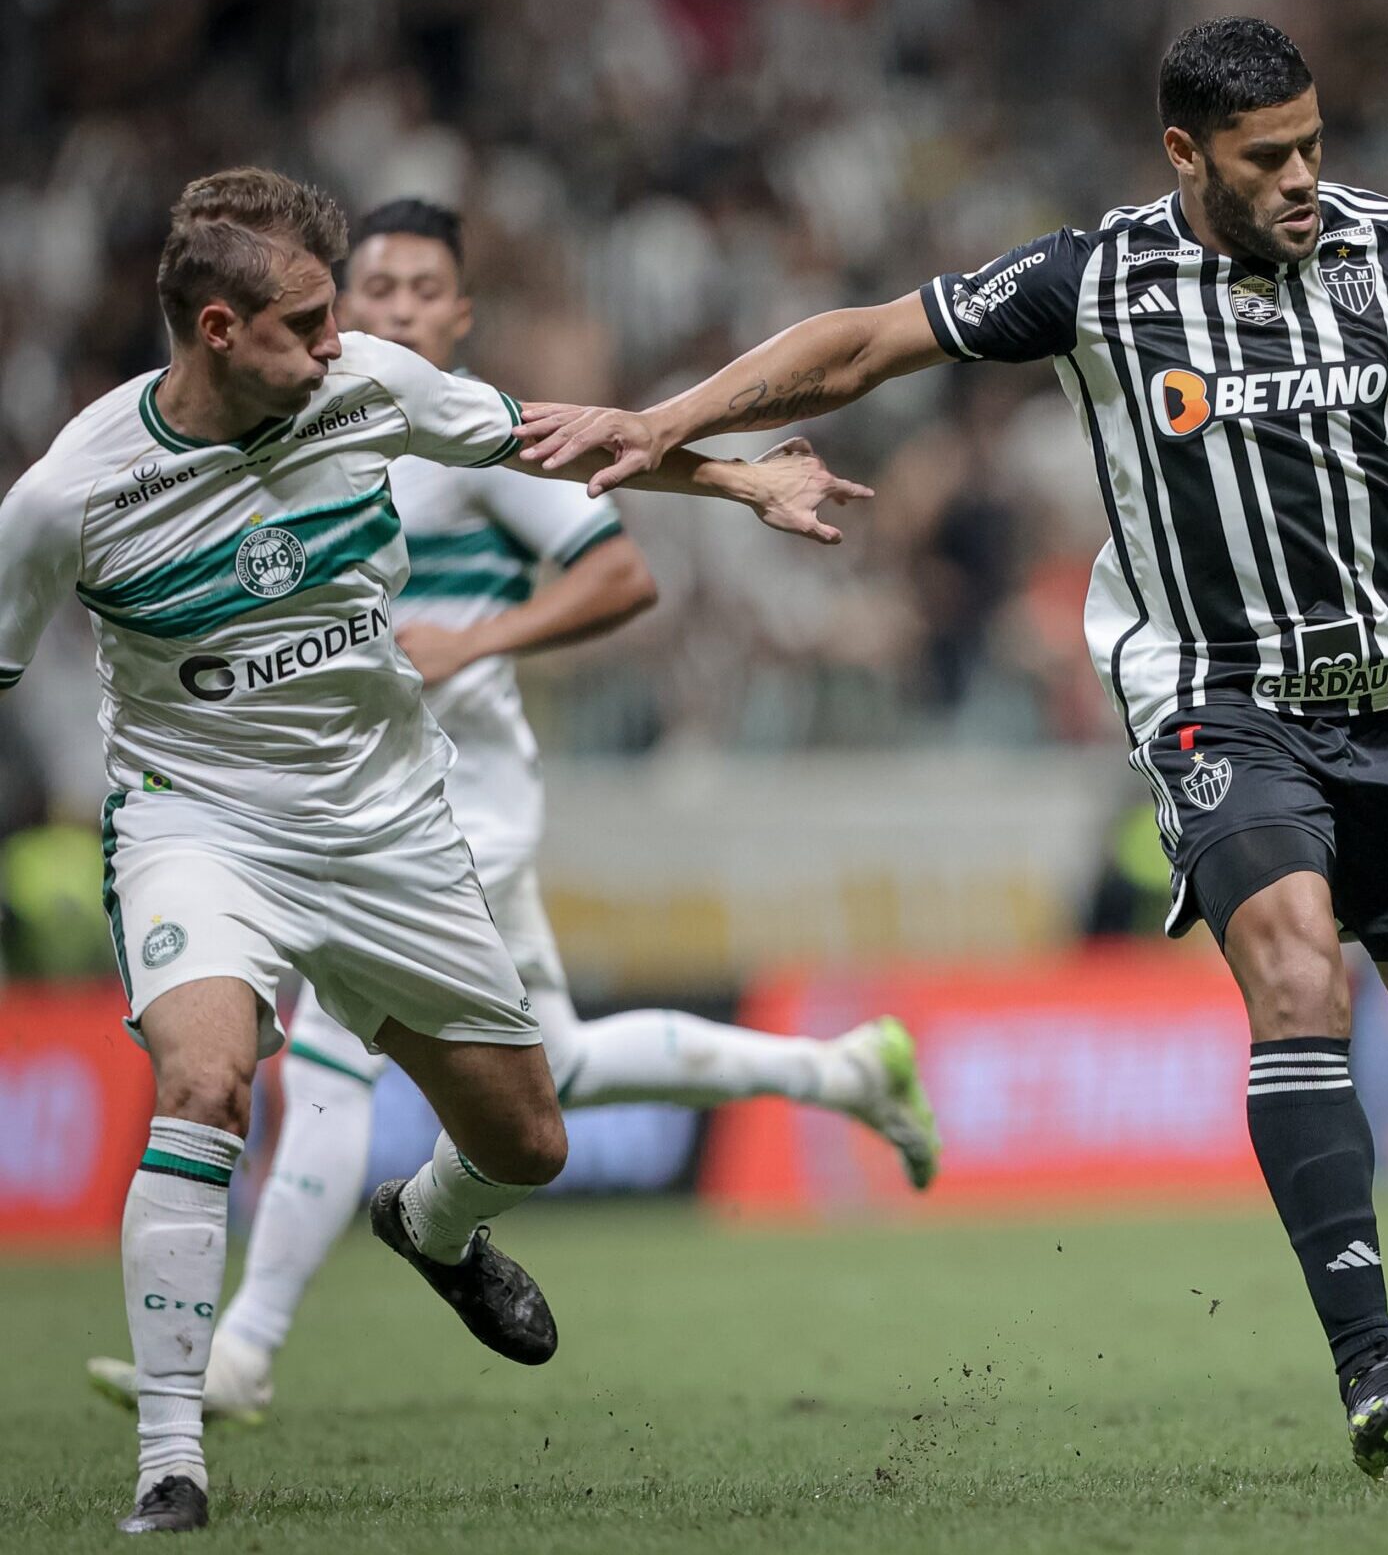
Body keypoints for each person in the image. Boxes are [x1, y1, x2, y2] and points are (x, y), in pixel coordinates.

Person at [514, 16, 1388, 1475]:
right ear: (1185, 154)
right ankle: (1371, 1367)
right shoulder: (1094, 279)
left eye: (1313, 144)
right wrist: (671, 421)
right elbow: (860, 344)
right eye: (1266, 157)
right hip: (1218, 697)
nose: (1303, 176)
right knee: (1296, 973)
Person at [0, 168, 854, 1534]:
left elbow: (560, 442)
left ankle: (431, 1224)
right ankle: (173, 1454)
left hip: (388, 825)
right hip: (198, 826)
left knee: (528, 1144)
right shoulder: (68, 500)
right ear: (218, 329)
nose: (339, 342)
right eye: (307, 323)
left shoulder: (372, 387)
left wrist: (743, 478)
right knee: (208, 1080)